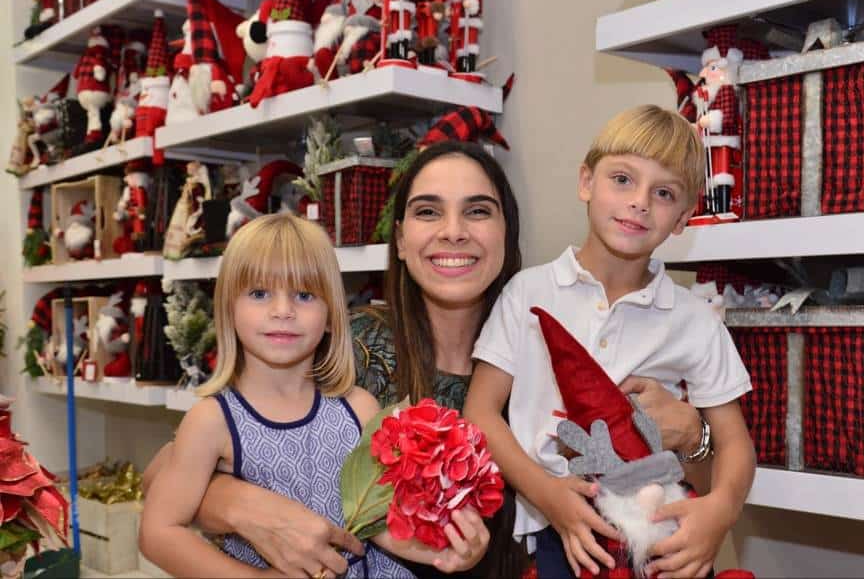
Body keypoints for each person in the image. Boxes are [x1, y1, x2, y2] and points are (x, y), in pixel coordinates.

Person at [142, 141, 707, 577]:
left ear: (508, 235)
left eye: (478, 212)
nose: (454, 232)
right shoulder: (343, 347)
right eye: (429, 212)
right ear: (402, 241)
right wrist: (249, 508)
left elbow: (668, 488)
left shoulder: (553, 353)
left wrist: (695, 437)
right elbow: (167, 471)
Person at [464, 105, 757, 579]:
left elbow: (735, 445)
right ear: (586, 182)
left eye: (663, 193)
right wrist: (549, 495)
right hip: (554, 531)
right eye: (622, 179)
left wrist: (719, 512)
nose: (640, 201)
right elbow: (480, 412)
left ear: (683, 218)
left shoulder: (696, 320)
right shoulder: (528, 292)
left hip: (656, 533)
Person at [138, 214, 490, 578]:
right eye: (259, 293)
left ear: (330, 316)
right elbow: (159, 532)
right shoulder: (212, 421)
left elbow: (377, 523)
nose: (282, 311)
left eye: (304, 295)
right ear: (228, 309)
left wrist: (446, 552)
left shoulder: (359, 407)